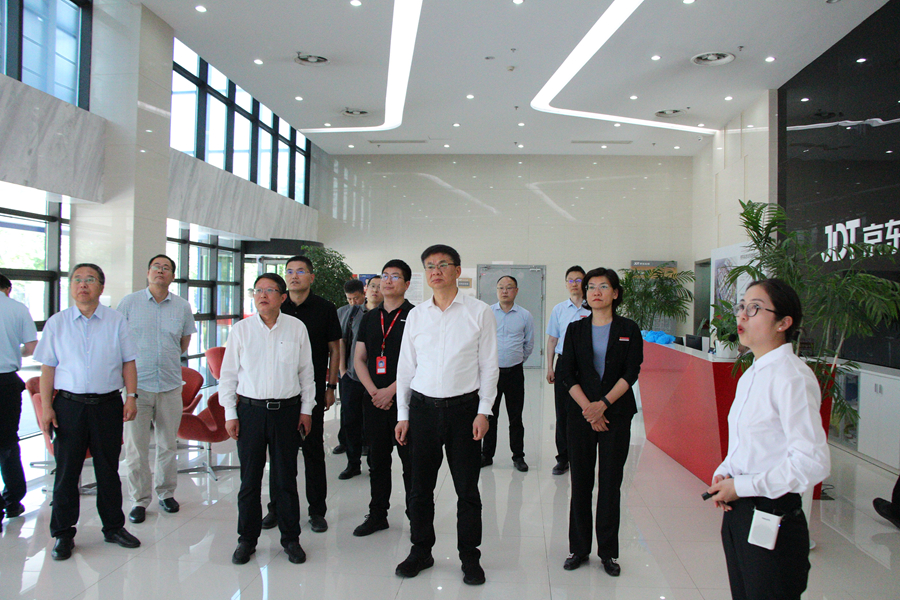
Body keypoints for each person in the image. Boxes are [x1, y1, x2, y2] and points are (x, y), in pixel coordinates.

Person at [707, 278, 830, 600]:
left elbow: (812, 462)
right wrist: (725, 472)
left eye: (755, 308)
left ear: (783, 323)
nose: (742, 315)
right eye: (742, 306)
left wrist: (743, 486)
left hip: (773, 514)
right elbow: (747, 444)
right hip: (739, 511)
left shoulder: (792, 377)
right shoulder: (752, 373)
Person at [395, 244, 498, 586]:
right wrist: (403, 414)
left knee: (467, 490)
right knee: (419, 489)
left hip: (464, 411)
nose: (435, 270)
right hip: (422, 411)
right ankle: (421, 550)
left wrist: (484, 412)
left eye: (442, 264)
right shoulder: (417, 315)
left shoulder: (479, 312)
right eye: (429, 265)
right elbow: (406, 367)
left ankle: (470, 556)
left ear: (457, 270)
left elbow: (489, 366)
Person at [33, 264, 141, 560]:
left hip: (108, 405)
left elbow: (129, 362)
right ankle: (63, 534)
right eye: (77, 280)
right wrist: (46, 407)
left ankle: (113, 527)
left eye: (90, 280)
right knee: (67, 471)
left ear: (101, 287)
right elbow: (47, 368)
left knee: (108, 469)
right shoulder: (57, 323)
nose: (83, 285)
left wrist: (131, 397)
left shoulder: (116, 321)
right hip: (69, 406)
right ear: (71, 286)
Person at [219, 273, 316, 565]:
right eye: (258, 290)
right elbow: (228, 375)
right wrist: (230, 413)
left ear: (283, 297)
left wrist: (306, 410)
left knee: (285, 478)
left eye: (270, 290)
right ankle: (246, 540)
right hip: (250, 412)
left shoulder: (297, 328)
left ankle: (291, 540)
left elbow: (306, 373)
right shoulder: (241, 330)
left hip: (287, 412)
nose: (262, 295)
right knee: (249, 480)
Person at [556, 267, 642, 576]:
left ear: (615, 293)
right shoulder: (575, 329)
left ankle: (607, 552)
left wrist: (603, 405)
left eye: (603, 286)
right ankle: (579, 549)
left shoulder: (629, 328)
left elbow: (631, 372)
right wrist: (589, 409)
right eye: (590, 286)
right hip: (581, 416)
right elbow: (566, 373)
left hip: (615, 415)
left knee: (610, 483)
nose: (595, 291)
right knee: (580, 482)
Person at [261, 255, 340, 534]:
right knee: (279, 455)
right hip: (279, 393)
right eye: (290, 271)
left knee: (313, 451)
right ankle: (276, 507)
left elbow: (334, 349)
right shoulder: (275, 306)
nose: (294, 276)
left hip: (311, 391)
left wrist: (331, 387)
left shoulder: (325, 308)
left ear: (311, 277)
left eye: (301, 271)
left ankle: (317, 511)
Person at [117, 254, 195, 524]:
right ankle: (139, 500)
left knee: (168, 444)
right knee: (135, 448)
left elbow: (183, 342)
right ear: (148, 273)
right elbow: (118, 340)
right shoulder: (129, 303)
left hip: (170, 386)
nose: (160, 271)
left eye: (166, 268)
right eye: (156, 267)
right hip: (136, 388)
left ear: (172, 275)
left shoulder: (182, 306)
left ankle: (166, 493)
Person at [352, 260, 414, 536]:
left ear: (407, 284)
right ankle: (378, 514)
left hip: (407, 402)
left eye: (395, 276)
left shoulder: (416, 315)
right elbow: (359, 359)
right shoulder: (369, 317)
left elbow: (421, 361)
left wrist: (391, 390)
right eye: (385, 276)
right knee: (377, 461)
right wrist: (374, 392)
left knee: (411, 462)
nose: (388, 281)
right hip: (375, 400)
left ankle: (416, 515)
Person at [482, 275, 534, 472]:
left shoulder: (525, 315)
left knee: (515, 417)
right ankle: (487, 455)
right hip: (491, 374)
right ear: (496, 290)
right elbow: (481, 341)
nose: (504, 291)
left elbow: (528, 344)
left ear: (516, 291)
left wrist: (516, 360)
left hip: (514, 373)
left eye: (509, 287)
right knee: (490, 415)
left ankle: (518, 456)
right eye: (501, 287)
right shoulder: (487, 313)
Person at [0, 274, 38, 532]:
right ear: (8, 289)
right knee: (8, 441)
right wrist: (15, 351)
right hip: (7, 383)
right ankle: (13, 501)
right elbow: (32, 347)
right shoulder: (17, 308)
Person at [546, 266, 590, 475]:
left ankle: (581, 456)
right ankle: (563, 458)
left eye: (578, 280)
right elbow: (552, 340)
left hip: (587, 365)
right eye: (570, 280)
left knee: (585, 410)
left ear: (585, 283)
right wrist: (549, 366)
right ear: (565, 284)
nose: (574, 284)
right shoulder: (559, 310)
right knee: (562, 412)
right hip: (564, 363)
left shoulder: (593, 308)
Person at [336, 276, 382, 479]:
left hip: (378, 380)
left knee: (374, 424)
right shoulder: (353, 313)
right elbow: (342, 341)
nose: (376, 290)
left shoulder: (387, 313)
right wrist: (342, 370)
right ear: (366, 289)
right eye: (373, 286)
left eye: (380, 287)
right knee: (351, 421)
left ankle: (374, 464)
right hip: (353, 377)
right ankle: (353, 463)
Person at [334, 278, 365, 456]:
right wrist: (342, 370)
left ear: (363, 294)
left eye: (356, 298)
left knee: (361, 409)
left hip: (362, 370)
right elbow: (339, 341)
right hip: (345, 369)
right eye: (349, 299)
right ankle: (344, 441)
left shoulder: (368, 312)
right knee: (346, 408)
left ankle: (363, 442)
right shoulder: (341, 312)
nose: (353, 302)